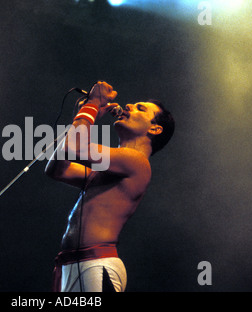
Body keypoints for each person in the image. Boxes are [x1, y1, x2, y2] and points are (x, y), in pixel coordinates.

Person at [45, 81, 175, 292]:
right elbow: (56, 169)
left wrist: (92, 105)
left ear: (155, 128)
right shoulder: (109, 169)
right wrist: (88, 114)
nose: (129, 106)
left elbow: (72, 148)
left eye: (140, 108)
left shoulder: (136, 161)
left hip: (95, 265)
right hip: (73, 265)